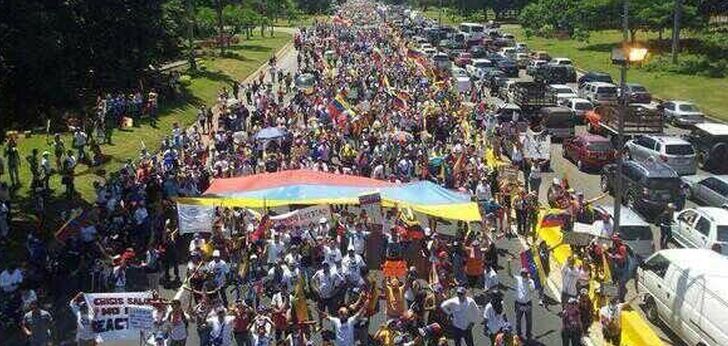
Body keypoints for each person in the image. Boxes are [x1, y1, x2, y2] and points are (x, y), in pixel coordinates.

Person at [507, 258, 541, 342]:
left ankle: (528, 334)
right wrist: (508, 264)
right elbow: (509, 274)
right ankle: (519, 334)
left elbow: (532, 289)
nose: (523, 275)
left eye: (525, 273)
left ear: (527, 274)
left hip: (528, 304)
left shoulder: (531, 281)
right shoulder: (518, 279)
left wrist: (529, 281)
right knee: (518, 320)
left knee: (529, 321)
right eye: (522, 273)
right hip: (519, 304)